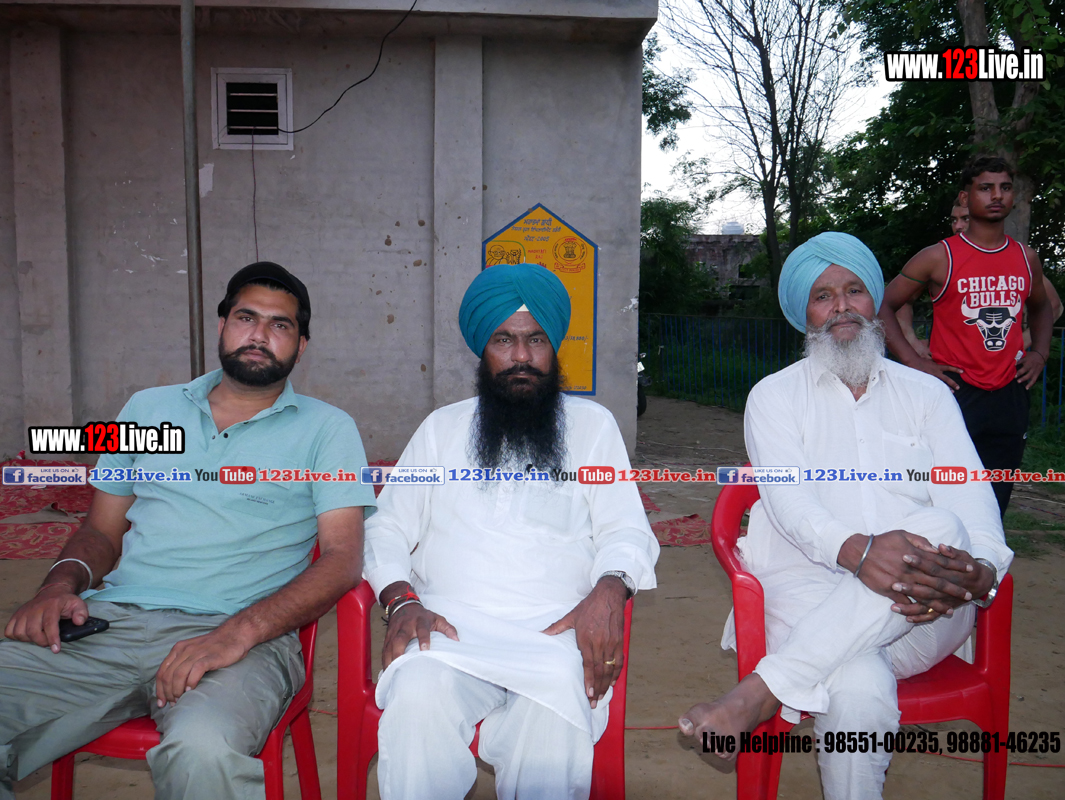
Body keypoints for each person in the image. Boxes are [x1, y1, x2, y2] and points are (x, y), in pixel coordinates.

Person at [0, 263, 377, 800]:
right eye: (246, 317)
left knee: (203, 751)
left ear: (301, 346)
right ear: (221, 325)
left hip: (241, 640)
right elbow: (100, 531)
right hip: (109, 625)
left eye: (280, 325)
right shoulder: (147, 408)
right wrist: (58, 585)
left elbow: (342, 560)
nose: (259, 335)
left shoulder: (327, 429)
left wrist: (238, 633)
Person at [679, 232, 1012, 800]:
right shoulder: (774, 397)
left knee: (944, 530)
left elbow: (972, 498)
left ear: (873, 300)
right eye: (822, 296)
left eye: (854, 290)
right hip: (808, 595)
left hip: (925, 608)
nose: (841, 307)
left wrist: (981, 571)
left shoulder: (928, 395)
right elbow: (790, 505)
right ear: (803, 314)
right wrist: (859, 552)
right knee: (856, 688)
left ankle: (759, 693)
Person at [363, 262, 660, 800]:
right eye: (504, 340)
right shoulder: (441, 430)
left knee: (554, 711)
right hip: (449, 632)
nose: (521, 356)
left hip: (556, 636)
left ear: (553, 347)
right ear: (483, 349)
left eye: (535, 340)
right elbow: (385, 527)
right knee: (417, 692)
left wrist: (611, 587)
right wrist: (402, 599)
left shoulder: (592, 427)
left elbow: (626, 530)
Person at [879, 156, 1053, 515]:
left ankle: (987, 550)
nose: (997, 195)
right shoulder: (938, 257)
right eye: (986, 188)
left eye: (1005, 188)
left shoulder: (1026, 258)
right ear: (966, 196)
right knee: (942, 494)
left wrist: (1040, 353)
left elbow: (1041, 307)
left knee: (996, 494)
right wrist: (913, 361)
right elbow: (883, 306)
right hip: (954, 390)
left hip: (1009, 391)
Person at [896, 197, 1061, 358]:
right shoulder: (942, 258)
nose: (958, 226)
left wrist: (1021, 347)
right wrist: (913, 343)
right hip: (950, 368)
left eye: (965, 219)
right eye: (954, 220)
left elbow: (1054, 305)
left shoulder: (1015, 258)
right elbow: (900, 300)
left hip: (1005, 368)